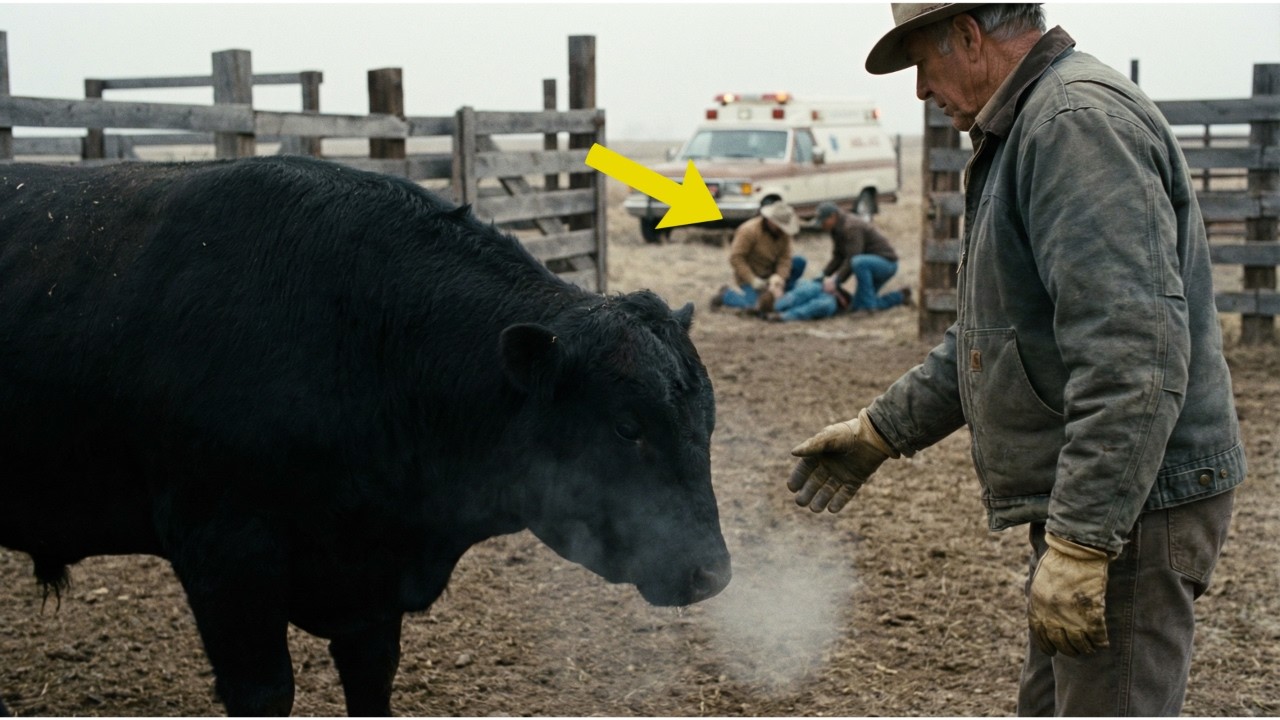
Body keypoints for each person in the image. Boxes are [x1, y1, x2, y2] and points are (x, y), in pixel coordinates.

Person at [786, 4, 1244, 716]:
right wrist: (881, 431)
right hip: (1109, 494)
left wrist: (1085, 541)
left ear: (968, 36)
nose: (918, 90)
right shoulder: (1035, 125)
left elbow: (1133, 354)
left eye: (921, 61)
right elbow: (997, 337)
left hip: (1133, 505)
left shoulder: (1072, 125)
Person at [813, 202, 910, 312]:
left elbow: (853, 257)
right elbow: (838, 256)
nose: (821, 225)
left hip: (886, 264)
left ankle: (868, 308)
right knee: (856, 306)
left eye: (823, 221)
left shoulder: (851, 227)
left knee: (858, 262)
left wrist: (837, 279)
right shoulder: (836, 229)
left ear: (833, 216)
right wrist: (824, 274)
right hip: (869, 266)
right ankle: (900, 296)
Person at [712, 201, 807, 312]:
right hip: (752, 275)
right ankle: (726, 295)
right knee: (755, 306)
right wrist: (752, 280)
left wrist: (779, 278)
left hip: (772, 273)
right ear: (771, 220)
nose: (783, 229)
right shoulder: (748, 231)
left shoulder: (783, 234)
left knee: (799, 262)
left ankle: (781, 292)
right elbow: (736, 258)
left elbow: (785, 258)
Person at [766, 277, 851, 322]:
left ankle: (784, 316)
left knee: (820, 304)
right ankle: (773, 306)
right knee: (807, 289)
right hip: (822, 286)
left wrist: (837, 292)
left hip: (835, 299)